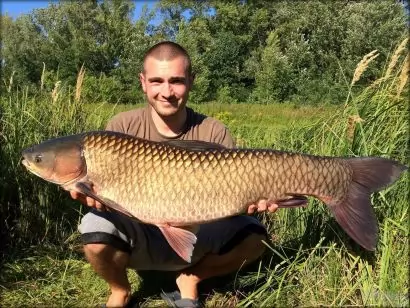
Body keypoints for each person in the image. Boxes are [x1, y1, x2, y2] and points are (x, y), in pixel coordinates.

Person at [70, 41, 278, 308]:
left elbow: (230, 201)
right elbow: (109, 201)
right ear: (143, 82)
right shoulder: (120, 128)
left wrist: (253, 202)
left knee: (255, 235)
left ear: (191, 81)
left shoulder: (212, 131)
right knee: (93, 225)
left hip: (199, 232)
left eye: (176, 81)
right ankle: (119, 290)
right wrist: (94, 197)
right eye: (156, 81)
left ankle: (192, 278)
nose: (166, 92)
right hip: (143, 232)